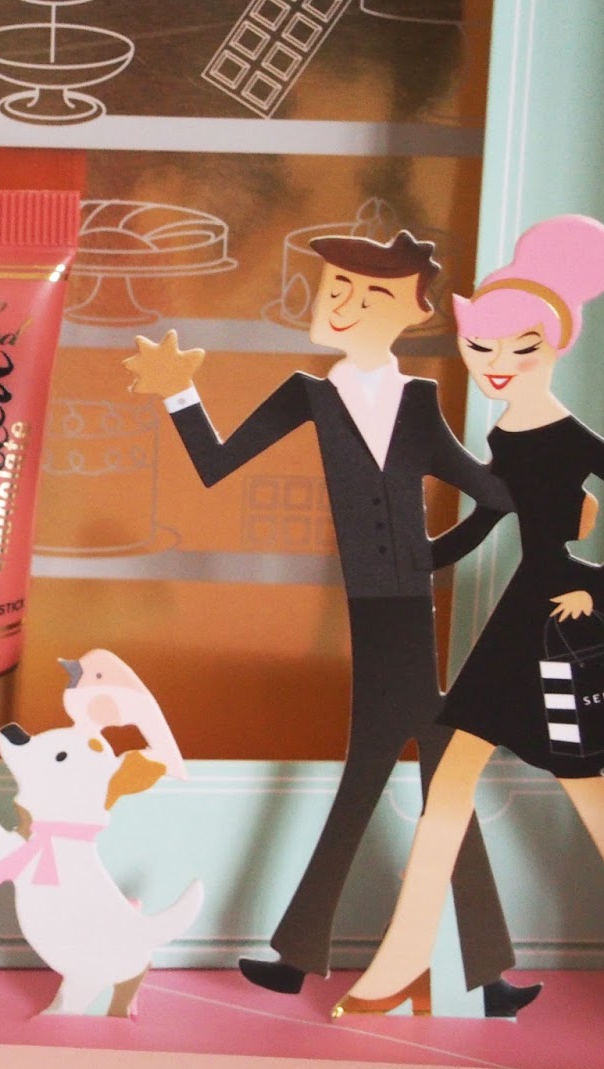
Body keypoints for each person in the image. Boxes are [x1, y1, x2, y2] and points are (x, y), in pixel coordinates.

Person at [124, 230, 537, 1017]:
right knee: (423, 780)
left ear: (413, 312)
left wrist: (435, 554)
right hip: (378, 619)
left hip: (406, 615)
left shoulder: (419, 403)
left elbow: (495, 496)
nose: (343, 305)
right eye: (337, 288)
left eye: (369, 295)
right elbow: (216, 463)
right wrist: (179, 394)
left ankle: (315, 960)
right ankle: (478, 976)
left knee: (396, 778)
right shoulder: (307, 395)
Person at [335, 214, 604, 1016]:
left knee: (578, 786)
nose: (498, 366)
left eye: (522, 349)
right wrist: (413, 557)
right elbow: (487, 520)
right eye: (482, 348)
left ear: (557, 346)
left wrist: (602, 585)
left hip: (555, 622)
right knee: (471, 786)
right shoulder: (508, 433)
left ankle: (407, 963)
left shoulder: (569, 435)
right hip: (520, 619)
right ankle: (404, 960)